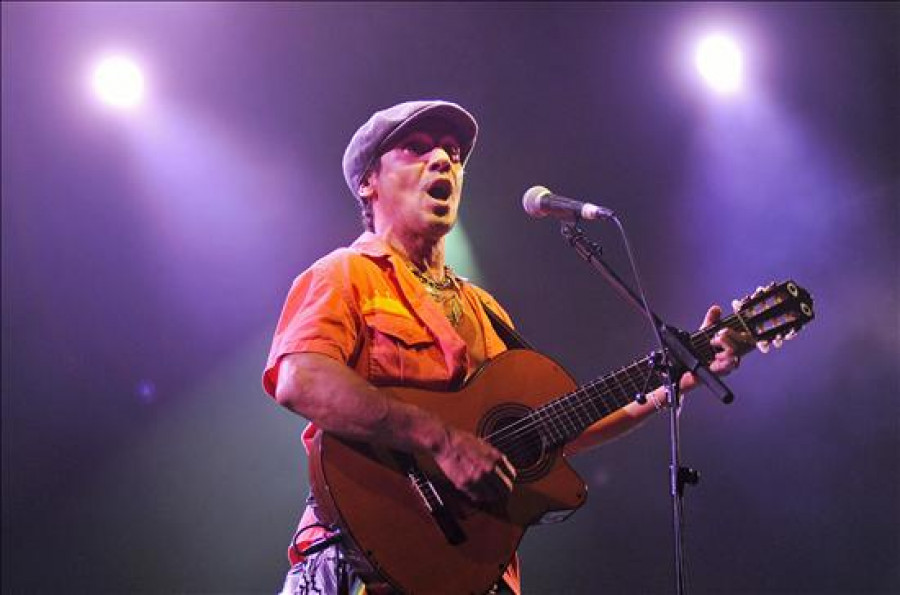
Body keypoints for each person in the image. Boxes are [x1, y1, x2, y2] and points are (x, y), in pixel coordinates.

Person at [262, 100, 747, 595]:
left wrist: (672, 384)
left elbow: (554, 432)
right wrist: (441, 440)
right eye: (416, 148)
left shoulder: (482, 308)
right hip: (361, 565)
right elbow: (301, 378)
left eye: (453, 153)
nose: (442, 161)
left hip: (473, 572)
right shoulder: (344, 273)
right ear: (369, 181)